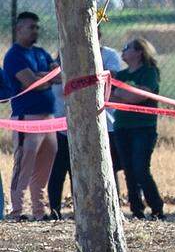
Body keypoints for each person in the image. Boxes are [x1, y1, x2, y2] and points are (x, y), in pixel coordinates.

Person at [47, 29, 124, 219]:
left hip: (104, 125)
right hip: (65, 126)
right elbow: (53, 76)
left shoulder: (109, 55)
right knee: (60, 169)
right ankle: (55, 211)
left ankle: (111, 208)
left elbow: (109, 78)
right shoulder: (64, 55)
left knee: (108, 168)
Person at [4, 12, 59, 221]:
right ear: (19, 30)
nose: (35, 30)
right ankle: (16, 211)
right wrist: (45, 77)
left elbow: (59, 76)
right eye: (31, 27)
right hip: (26, 119)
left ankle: (39, 211)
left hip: (49, 119)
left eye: (37, 27)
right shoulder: (14, 55)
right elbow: (31, 83)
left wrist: (43, 77)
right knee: (23, 166)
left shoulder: (41, 53)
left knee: (44, 168)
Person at [108, 38, 164, 219]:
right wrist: (124, 94)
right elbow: (110, 98)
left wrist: (120, 93)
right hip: (122, 127)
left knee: (141, 168)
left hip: (143, 128)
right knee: (128, 170)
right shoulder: (121, 75)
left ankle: (156, 208)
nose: (122, 51)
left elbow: (137, 98)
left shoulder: (149, 72)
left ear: (139, 52)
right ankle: (136, 210)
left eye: (127, 48)